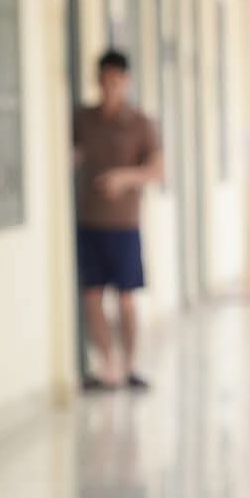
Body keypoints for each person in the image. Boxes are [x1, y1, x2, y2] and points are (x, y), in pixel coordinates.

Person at [73, 49, 163, 391]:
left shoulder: (141, 123)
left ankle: (130, 366)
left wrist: (124, 179)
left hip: (125, 225)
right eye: (103, 82)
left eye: (115, 82)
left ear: (125, 82)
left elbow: (157, 170)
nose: (109, 89)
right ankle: (106, 367)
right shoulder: (84, 119)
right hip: (90, 222)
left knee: (126, 298)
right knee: (93, 296)